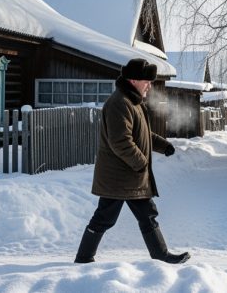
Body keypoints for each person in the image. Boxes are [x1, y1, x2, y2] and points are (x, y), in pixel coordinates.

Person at [74, 58, 190, 264]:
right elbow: (120, 141)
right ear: (134, 80)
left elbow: (141, 134)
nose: (150, 85)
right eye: (147, 81)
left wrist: (163, 145)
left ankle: (161, 256)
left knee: (147, 215)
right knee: (105, 218)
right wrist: (141, 163)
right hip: (119, 175)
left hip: (129, 174)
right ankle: (83, 258)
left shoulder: (132, 102)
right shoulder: (120, 102)